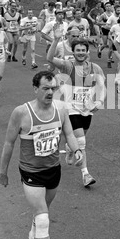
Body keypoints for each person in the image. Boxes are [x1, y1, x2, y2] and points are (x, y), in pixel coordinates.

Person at [0, 70, 83, 239]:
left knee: (42, 211)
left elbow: (69, 134)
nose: (50, 92)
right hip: (31, 172)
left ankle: (32, 237)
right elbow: (9, 143)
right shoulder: (21, 113)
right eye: (45, 88)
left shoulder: (61, 109)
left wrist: (77, 151)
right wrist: (3, 172)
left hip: (53, 170)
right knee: (43, 217)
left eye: (53, 88)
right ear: (35, 89)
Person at [47, 33, 105, 187]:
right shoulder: (67, 66)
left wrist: (99, 101)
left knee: (81, 135)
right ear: (73, 52)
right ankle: (85, 174)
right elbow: (50, 59)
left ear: (88, 52)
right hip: (70, 109)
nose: (80, 52)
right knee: (82, 141)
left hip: (87, 109)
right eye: (77, 50)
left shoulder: (95, 68)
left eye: (83, 50)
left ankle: (69, 148)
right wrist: (56, 39)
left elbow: (102, 87)